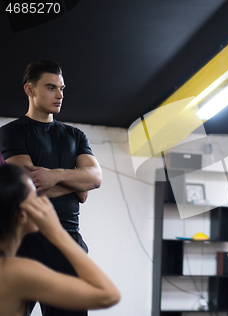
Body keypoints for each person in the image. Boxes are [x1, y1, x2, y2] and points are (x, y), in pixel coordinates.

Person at [0, 59, 102, 316]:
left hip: (68, 243)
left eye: (62, 88)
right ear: (30, 89)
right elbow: (28, 188)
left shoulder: (75, 136)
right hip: (25, 243)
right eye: (51, 87)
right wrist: (76, 184)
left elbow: (95, 178)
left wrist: (55, 175)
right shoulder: (12, 132)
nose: (60, 95)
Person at [0, 164, 120, 316]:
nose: (44, 202)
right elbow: (108, 295)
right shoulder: (16, 272)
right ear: (22, 214)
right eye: (36, 198)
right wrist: (56, 231)